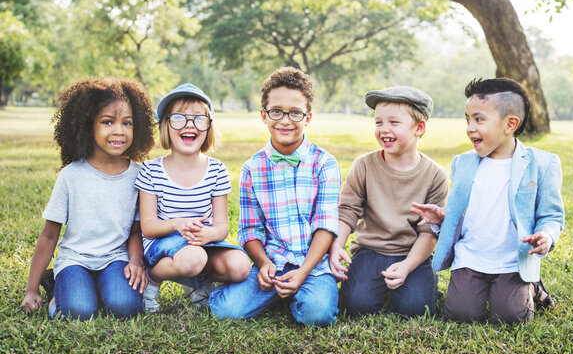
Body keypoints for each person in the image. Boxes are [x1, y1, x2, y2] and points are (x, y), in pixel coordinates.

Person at [412, 77, 565, 324]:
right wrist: (443, 217)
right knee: (461, 315)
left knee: (511, 317)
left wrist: (546, 235)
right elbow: (463, 211)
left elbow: (551, 216)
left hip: (511, 261)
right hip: (471, 256)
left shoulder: (543, 163)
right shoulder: (462, 162)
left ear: (510, 124)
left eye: (479, 119)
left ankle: (533, 287)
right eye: (467, 119)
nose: (470, 127)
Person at [209, 67, 342, 327]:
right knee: (225, 311)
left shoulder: (324, 164)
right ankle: (270, 292)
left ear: (308, 117)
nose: (285, 120)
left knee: (318, 314)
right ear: (264, 115)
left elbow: (326, 226)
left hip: (312, 266)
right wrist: (264, 263)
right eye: (276, 111)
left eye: (295, 113)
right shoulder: (251, 168)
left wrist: (303, 272)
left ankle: (295, 295)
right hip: (270, 263)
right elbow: (249, 229)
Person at [21, 77, 156, 320]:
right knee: (78, 312)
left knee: (126, 307)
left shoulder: (139, 174)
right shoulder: (71, 175)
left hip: (115, 259)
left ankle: (93, 289)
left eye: (127, 123)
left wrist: (136, 261)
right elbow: (50, 234)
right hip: (76, 260)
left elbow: (136, 230)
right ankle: (55, 287)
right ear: (86, 125)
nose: (119, 131)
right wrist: (31, 289)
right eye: (107, 122)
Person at [329, 86, 448, 317]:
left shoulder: (435, 175)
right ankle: (376, 285)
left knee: (416, 309)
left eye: (394, 122)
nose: (384, 129)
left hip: (411, 252)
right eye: (378, 122)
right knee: (356, 306)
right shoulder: (363, 165)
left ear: (419, 128)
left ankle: (422, 286)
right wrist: (337, 246)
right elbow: (347, 212)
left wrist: (407, 266)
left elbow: (428, 232)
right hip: (370, 250)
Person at [136, 83, 250, 312]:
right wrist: (179, 224)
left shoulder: (217, 170)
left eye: (199, 119)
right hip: (162, 242)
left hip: (202, 241)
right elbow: (147, 227)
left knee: (240, 267)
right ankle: (153, 277)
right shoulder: (151, 171)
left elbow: (221, 227)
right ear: (166, 126)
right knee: (194, 258)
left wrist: (209, 234)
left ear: (208, 128)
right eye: (178, 118)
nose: (190, 125)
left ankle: (200, 283)